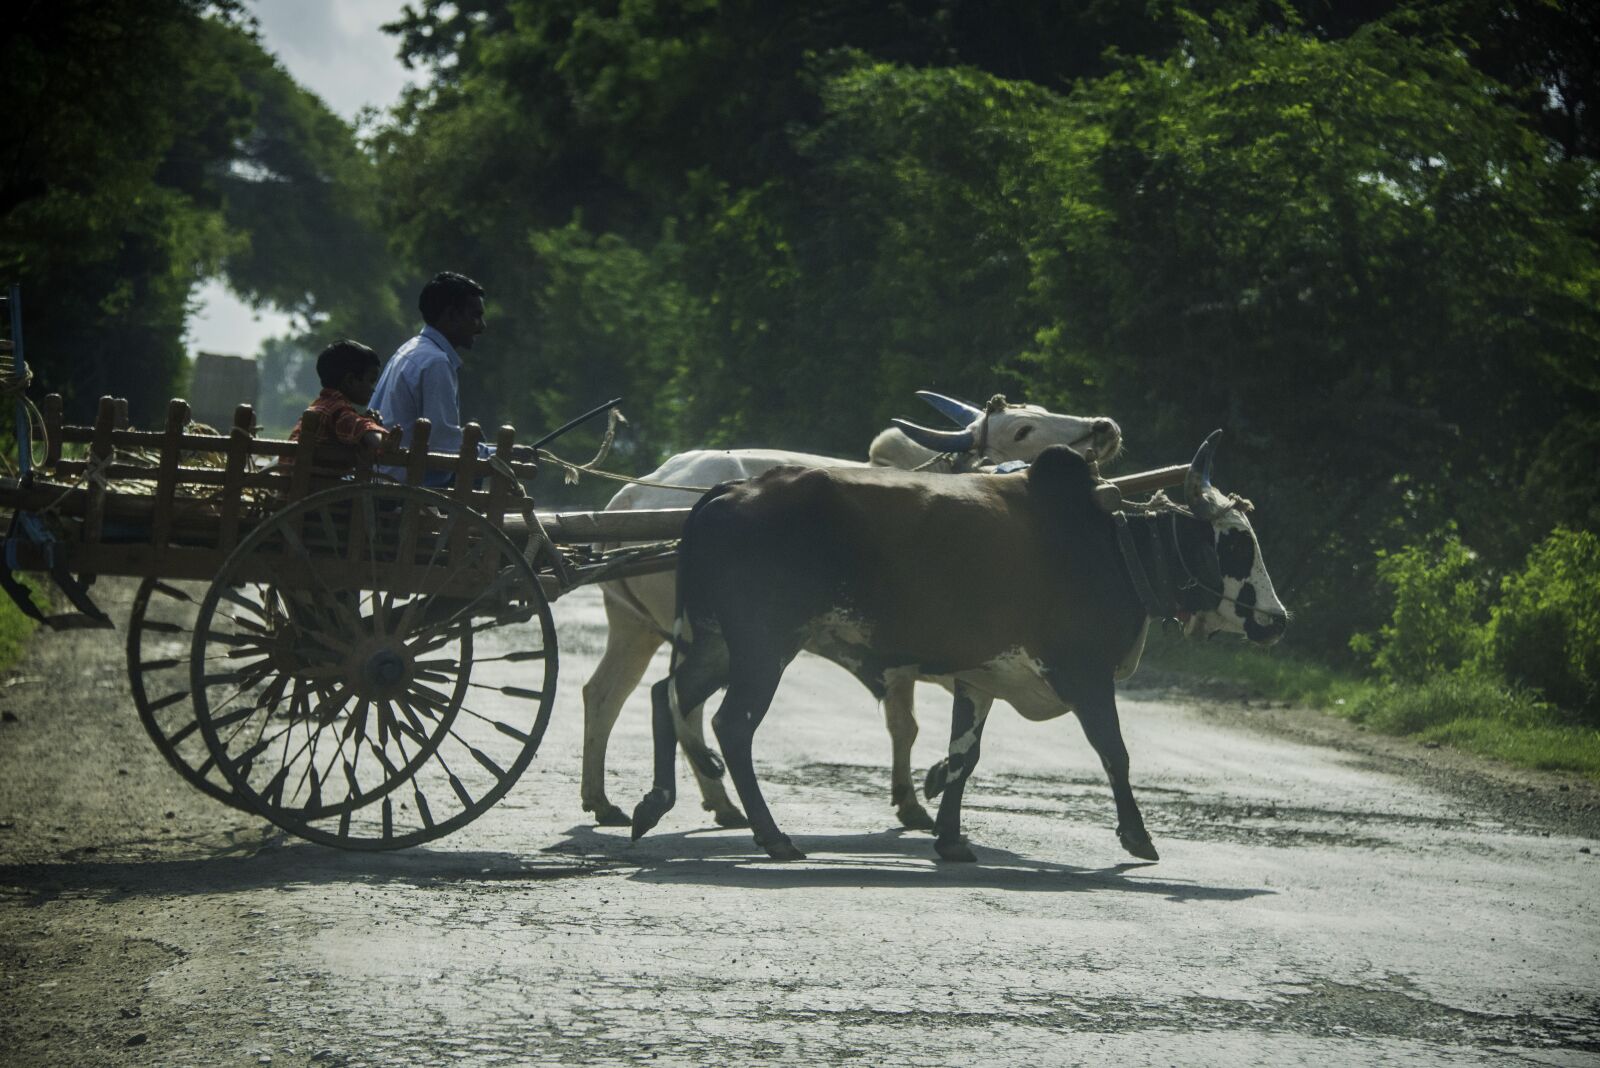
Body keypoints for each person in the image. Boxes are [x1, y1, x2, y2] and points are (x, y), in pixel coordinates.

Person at [369, 271, 531, 486]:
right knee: (473, 461)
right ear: (450, 316)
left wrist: (497, 452)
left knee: (475, 448)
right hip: (402, 482)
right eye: (475, 316)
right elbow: (443, 447)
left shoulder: (410, 350)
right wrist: (501, 455)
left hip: (382, 473)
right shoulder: (436, 362)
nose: (481, 326)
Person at [289, 339, 386, 451]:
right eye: (371, 381)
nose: (373, 390)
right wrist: (377, 431)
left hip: (289, 468)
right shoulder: (338, 412)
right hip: (307, 469)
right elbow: (375, 440)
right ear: (350, 380)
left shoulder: (320, 406)